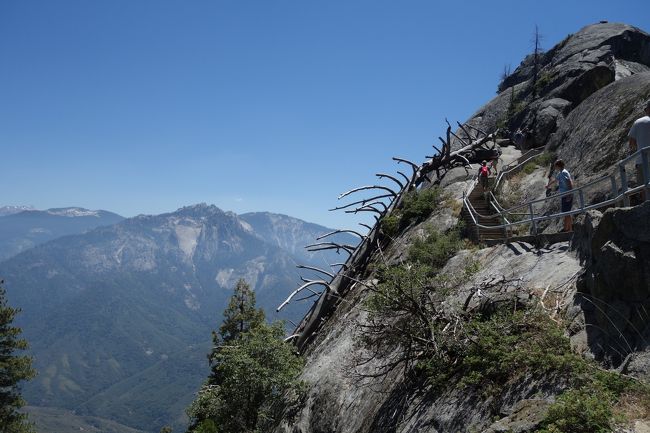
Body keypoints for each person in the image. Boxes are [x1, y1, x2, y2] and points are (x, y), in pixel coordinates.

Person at [628, 99, 650, 198]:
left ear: (647, 110)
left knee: (643, 187)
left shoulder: (638, 122)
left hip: (641, 160)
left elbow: (631, 142)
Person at [546, 159, 573, 232]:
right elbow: (555, 180)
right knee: (566, 213)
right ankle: (568, 229)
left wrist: (569, 194)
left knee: (566, 213)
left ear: (558, 166)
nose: (555, 168)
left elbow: (569, 182)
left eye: (555, 166)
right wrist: (548, 185)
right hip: (564, 195)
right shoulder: (560, 173)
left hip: (567, 194)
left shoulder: (564, 173)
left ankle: (568, 229)